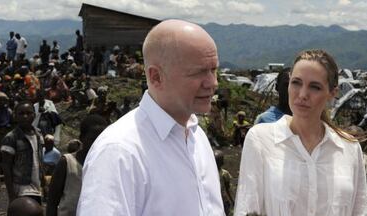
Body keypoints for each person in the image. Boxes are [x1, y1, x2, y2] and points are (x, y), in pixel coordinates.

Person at [77, 19, 224, 215]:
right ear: (156, 77)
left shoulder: (197, 137)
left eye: (214, 70)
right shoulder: (120, 151)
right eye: (198, 72)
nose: (212, 83)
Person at [234, 49, 367, 215]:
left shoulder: (349, 147)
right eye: (296, 83)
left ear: (332, 93)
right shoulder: (260, 139)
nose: (303, 94)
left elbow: (360, 211)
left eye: (315, 87)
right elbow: (246, 208)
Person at [47, 115, 108, 216]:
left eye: (101, 139)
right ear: (82, 138)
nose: (97, 143)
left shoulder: (107, 164)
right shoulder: (67, 162)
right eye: (92, 139)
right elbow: (52, 201)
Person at [1, 101, 44, 204]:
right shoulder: (11, 138)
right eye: (21, 113)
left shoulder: (39, 134)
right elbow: (6, 167)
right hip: (21, 189)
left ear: (34, 114)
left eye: (29, 113)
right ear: (15, 116)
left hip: (37, 187)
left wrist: (44, 183)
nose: (25, 116)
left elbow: (40, 160)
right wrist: (11, 195)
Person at [214, 149, 234, 216]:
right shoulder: (224, 174)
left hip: (214, 200)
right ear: (222, 162)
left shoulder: (209, 174)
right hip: (223, 200)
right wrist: (232, 200)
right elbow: (227, 189)